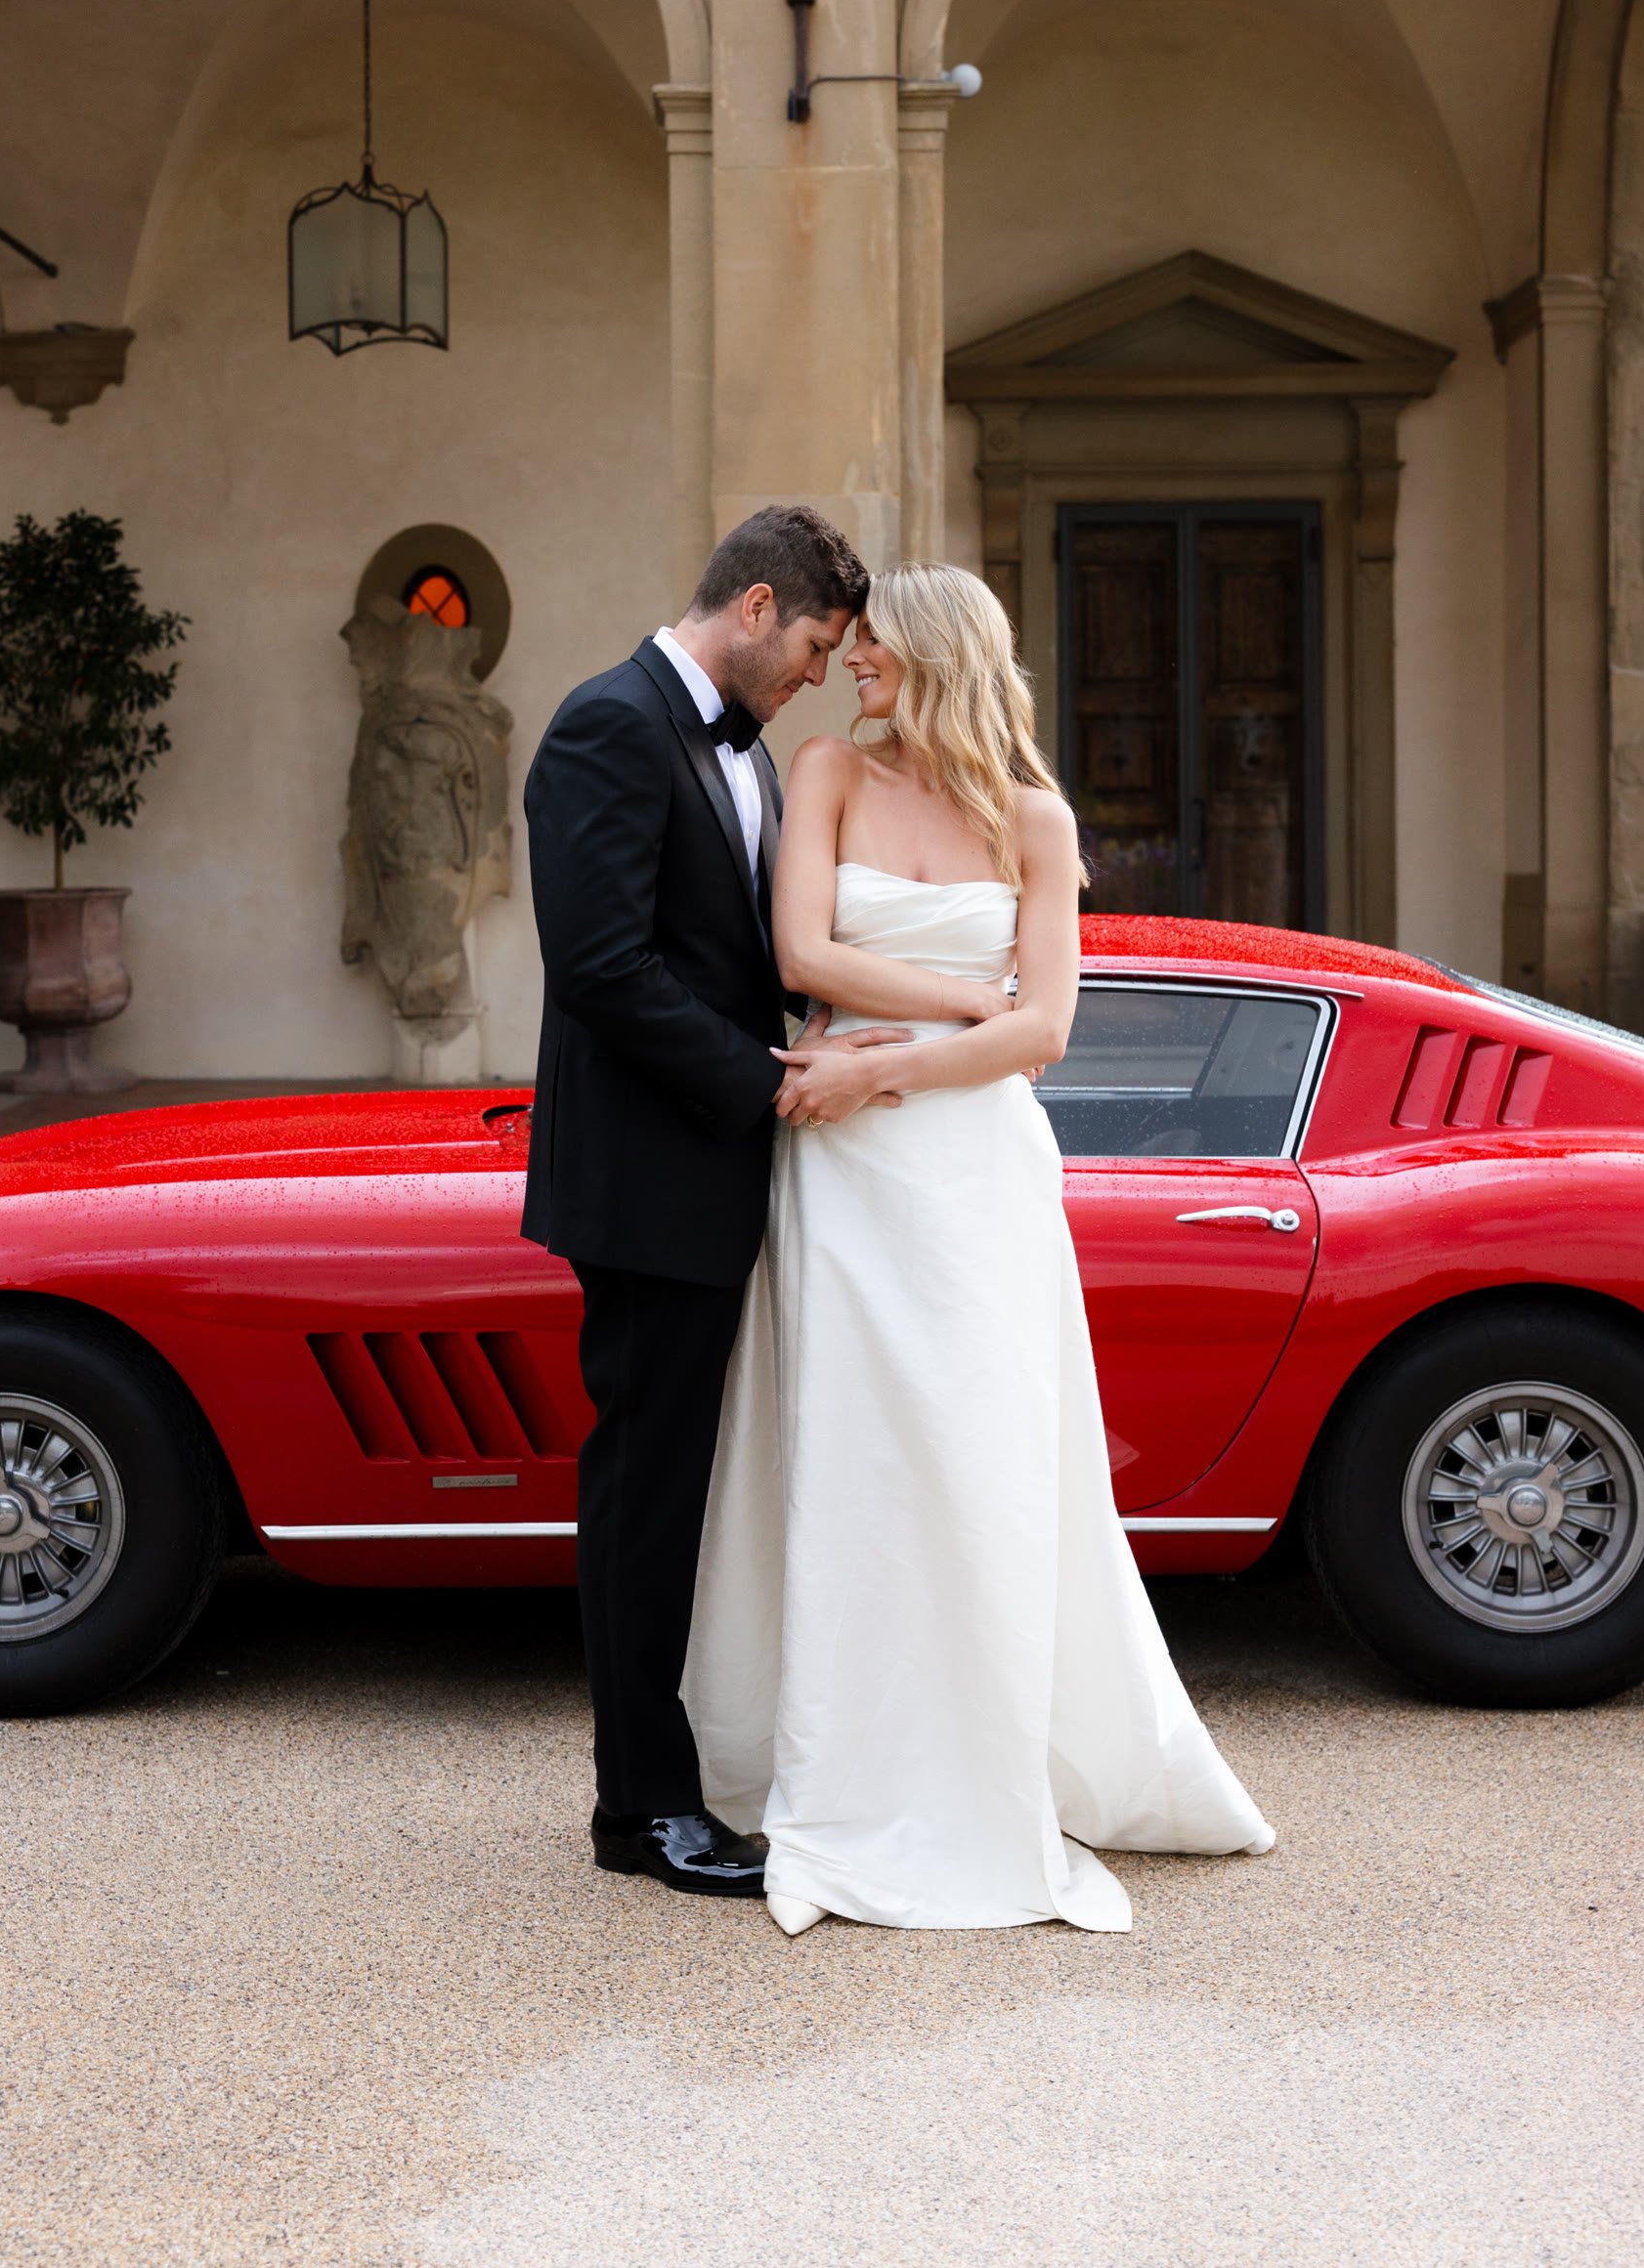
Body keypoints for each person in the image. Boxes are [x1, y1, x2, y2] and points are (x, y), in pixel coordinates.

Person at [682, 561, 1276, 1933]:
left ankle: (989, 1761)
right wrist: (963, 1000)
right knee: (852, 1454)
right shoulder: (826, 769)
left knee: (977, 1457)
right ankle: (844, 1768)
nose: (854, 663)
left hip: (966, 1176)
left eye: (877, 643)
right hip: (845, 1179)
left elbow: (1048, 1032)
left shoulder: (1036, 819)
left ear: (940, 651)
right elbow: (804, 952)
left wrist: (887, 1069)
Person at [524, 504, 916, 1897]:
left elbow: (733, 952)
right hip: (648, 1176)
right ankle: (636, 1810)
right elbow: (602, 969)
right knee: (646, 1493)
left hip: (722, 1164)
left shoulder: (737, 753)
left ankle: (679, 1770)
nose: (816, 673)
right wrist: (773, 1080)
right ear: (756, 607)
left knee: (690, 1488)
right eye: (813, 644)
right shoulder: (607, 726)